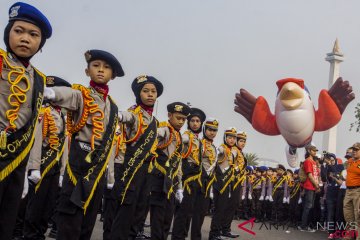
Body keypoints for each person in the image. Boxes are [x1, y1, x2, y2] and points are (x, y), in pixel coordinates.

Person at [44, 49, 124, 240]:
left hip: (98, 170)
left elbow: (111, 144)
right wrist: (52, 92)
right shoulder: (81, 95)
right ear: (87, 71)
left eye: (106, 68)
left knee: (88, 222)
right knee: (70, 219)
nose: (101, 70)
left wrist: (110, 176)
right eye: (95, 66)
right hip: (79, 165)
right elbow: (67, 95)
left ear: (112, 76)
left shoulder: (112, 106)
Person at [0, 2, 52, 239]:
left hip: (16, 160)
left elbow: (32, 128)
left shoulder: (39, 79)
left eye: (33, 35)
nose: (25, 38)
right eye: (18, 31)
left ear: (40, 43)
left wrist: (27, 169)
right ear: (7, 33)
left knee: (6, 222)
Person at [110, 75, 163, 240]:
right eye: (145, 91)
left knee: (140, 212)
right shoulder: (134, 114)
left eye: (153, 91)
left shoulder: (155, 121)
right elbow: (127, 117)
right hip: (131, 169)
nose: (150, 94)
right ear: (138, 94)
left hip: (147, 171)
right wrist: (117, 115)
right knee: (126, 210)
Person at [23, 76, 70, 240]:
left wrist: (63, 170)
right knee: (35, 206)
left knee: (48, 206)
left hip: (55, 167)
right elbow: (36, 141)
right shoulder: (44, 112)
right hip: (42, 165)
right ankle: (30, 235)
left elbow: (63, 146)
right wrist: (34, 167)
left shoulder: (62, 115)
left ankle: (39, 234)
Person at [150, 102, 191, 240]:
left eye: (183, 119)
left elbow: (178, 163)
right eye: (178, 117)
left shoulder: (178, 136)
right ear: (169, 115)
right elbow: (153, 136)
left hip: (172, 182)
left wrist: (179, 187)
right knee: (158, 218)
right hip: (159, 179)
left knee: (167, 219)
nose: (180, 121)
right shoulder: (165, 129)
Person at [171, 107, 206, 240]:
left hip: (196, 179)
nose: (195, 123)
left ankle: (182, 235)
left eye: (198, 121)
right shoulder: (186, 136)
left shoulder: (199, 140)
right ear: (188, 122)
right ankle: (177, 237)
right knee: (182, 212)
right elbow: (177, 144)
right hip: (186, 177)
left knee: (189, 212)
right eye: (192, 120)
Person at [190, 118, 219, 240]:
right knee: (189, 212)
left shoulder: (214, 147)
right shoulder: (200, 143)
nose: (212, 132)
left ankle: (196, 237)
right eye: (210, 129)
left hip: (207, 184)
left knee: (201, 213)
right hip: (198, 180)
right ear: (204, 129)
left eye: (215, 130)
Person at [209, 127, 238, 240]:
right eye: (229, 137)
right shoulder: (222, 148)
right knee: (218, 210)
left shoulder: (232, 152)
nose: (231, 140)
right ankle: (213, 234)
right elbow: (217, 155)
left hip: (227, 184)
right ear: (225, 138)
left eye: (233, 138)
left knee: (223, 209)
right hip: (219, 183)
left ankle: (218, 233)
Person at [297, 145, 320, 233]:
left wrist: (317, 186)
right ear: (309, 151)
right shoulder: (307, 161)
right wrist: (316, 185)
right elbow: (310, 175)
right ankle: (303, 226)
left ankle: (306, 225)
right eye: (314, 150)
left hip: (313, 187)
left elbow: (316, 175)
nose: (315, 152)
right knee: (308, 207)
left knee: (310, 207)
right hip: (309, 186)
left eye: (315, 151)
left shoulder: (314, 162)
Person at [343, 142, 360, 240]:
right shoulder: (349, 161)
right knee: (348, 215)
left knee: (358, 215)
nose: (354, 151)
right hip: (348, 191)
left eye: (356, 150)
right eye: (353, 149)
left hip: (358, 191)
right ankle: (350, 235)